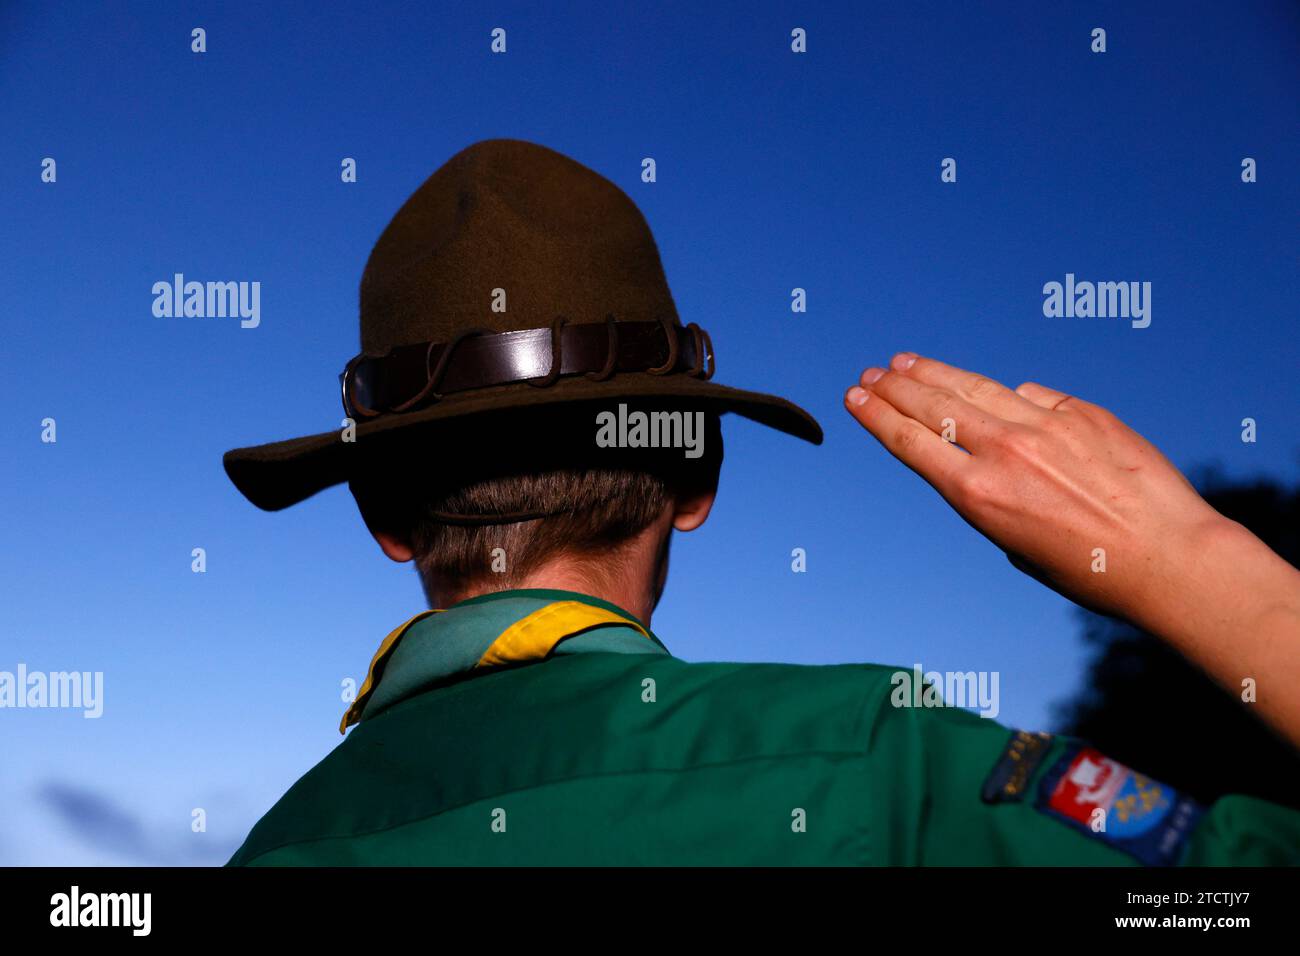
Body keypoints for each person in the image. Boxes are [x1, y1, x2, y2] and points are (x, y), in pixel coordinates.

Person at [222, 138, 1300, 865]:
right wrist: (1199, 565)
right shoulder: (882, 771)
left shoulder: (272, 850)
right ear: (697, 477)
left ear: (382, 514)